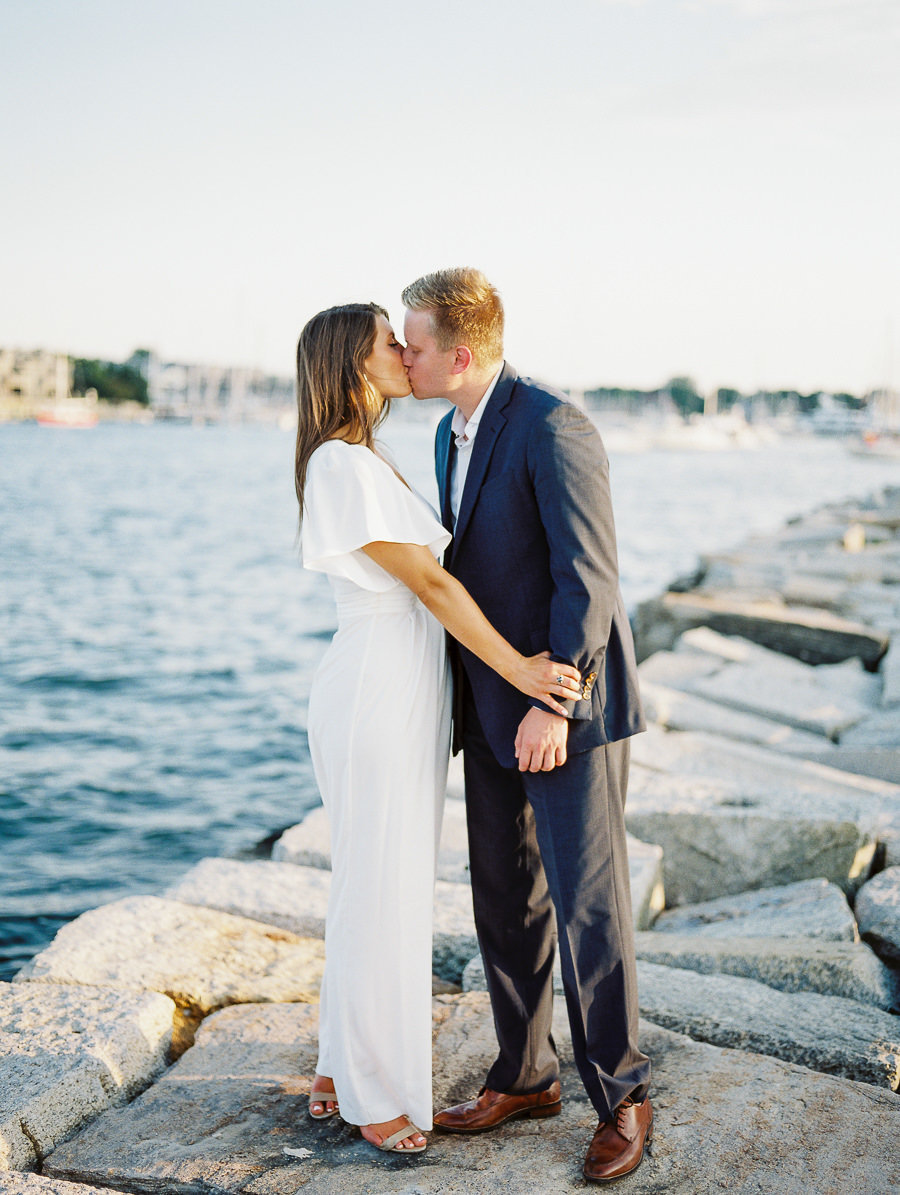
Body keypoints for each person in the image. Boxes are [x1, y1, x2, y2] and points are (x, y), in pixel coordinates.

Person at [294, 302, 580, 1156]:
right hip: (377, 690)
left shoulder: (362, 457)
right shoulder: (344, 464)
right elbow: (433, 585)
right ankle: (373, 1093)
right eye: (388, 340)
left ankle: (338, 1063)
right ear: (353, 362)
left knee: (369, 882)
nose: (402, 351)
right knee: (380, 890)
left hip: (397, 687)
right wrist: (521, 669)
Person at [400, 268, 653, 1184]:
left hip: (563, 706)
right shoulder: (444, 430)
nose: (402, 354)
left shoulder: (553, 423)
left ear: (459, 354)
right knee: (503, 893)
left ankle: (624, 1096)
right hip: (490, 706)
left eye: (413, 343)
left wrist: (557, 702)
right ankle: (525, 1073)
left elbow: (591, 576)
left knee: (589, 904)